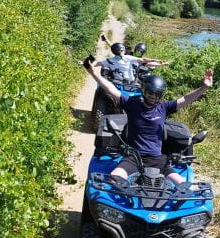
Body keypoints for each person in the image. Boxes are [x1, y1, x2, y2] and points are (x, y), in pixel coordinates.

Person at [84, 58, 212, 185]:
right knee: (114, 177)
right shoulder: (131, 103)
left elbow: (185, 99)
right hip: (134, 157)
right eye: (150, 92)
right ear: (144, 90)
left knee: (183, 184)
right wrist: (94, 73)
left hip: (157, 158)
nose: (153, 96)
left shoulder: (164, 107)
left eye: (157, 94)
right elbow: (112, 90)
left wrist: (203, 88)